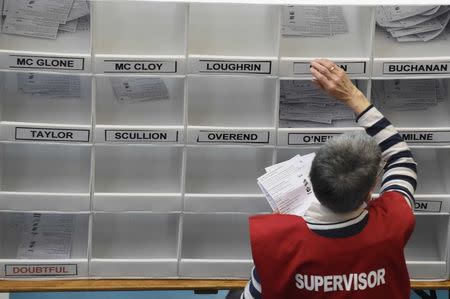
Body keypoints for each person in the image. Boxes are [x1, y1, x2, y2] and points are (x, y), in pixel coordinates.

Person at [240, 59, 418, 299]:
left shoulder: (277, 241)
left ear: (311, 183)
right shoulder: (394, 222)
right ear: (369, 194)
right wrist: (353, 95)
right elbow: (401, 159)